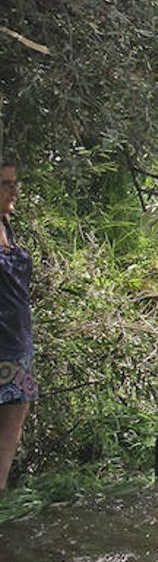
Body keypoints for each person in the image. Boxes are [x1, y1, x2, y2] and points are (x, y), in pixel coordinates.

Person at [0, 160, 35, 491]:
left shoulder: (6, 225)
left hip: (17, 345)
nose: (14, 190)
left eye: (14, 182)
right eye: (5, 183)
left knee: (9, 433)